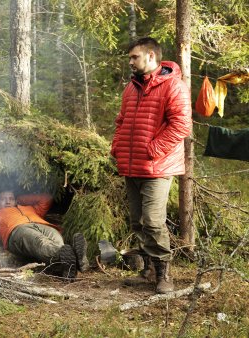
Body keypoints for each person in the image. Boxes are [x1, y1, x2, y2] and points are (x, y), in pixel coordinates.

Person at [111, 37, 192, 294]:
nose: (130, 62)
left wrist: (152, 149)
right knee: (137, 222)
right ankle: (147, 271)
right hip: (132, 165)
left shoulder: (173, 86)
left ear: (150, 56)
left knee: (153, 221)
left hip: (158, 167)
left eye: (134, 57)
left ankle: (164, 274)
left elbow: (181, 125)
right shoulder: (131, 87)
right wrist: (117, 147)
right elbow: (121, 120)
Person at [0, 191, 89, 280]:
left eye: (11, 198)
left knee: (57, 243)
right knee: (41, 243)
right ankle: (77, 260)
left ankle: (67, 266)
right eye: (4, 198)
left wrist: (21, 199)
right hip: (17, 231)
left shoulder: (30, 208)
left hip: (44, 226)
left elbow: (45, 198)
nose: (8, 201)